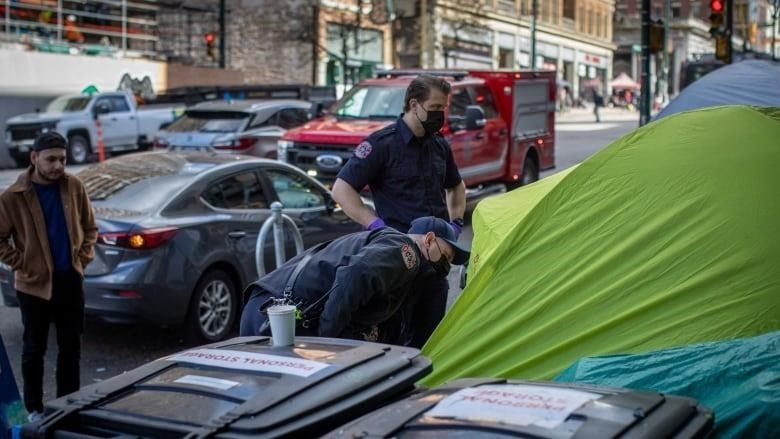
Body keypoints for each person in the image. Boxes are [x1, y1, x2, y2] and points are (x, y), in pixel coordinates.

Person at [331, 74, 467, 347]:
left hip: (435, 262)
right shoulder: (383, 144)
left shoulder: (439, 145)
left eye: (444, 108)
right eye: (436, 108)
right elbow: (341, 190)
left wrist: (456, 224)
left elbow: (457, 187)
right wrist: (376, 227)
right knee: (395, 343)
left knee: (431, 343)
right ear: (414, 105)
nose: (441, 115)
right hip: (397, 263)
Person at [239, 216, 470, 346]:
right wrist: (327, 342)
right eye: (447, 255)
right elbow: (354, 277)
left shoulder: (404, 266)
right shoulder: (405, 250)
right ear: (429, 240)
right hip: (275, 313)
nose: (446, 266)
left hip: (275, 309)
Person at [0, 132, 97, 421]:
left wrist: (81, 260)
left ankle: (68, 406)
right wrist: (23, 264)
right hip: (33, 286)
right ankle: (34, 410)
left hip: (70, 281)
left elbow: (90, 228)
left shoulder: (73, 186)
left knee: (71, 348)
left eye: (62, 159)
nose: (58, 166)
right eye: (51, 159)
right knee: (34, 350)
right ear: (34, 158)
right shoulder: (12, 196)